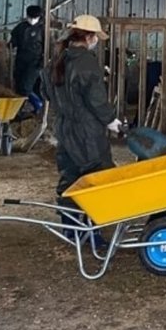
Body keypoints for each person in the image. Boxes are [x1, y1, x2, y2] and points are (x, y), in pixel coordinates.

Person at [42, 15, 121, 247]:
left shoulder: (56, 60)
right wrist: (111, 120)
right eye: (96, 36)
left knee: (70, 175)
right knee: (96, 176)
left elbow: (46, 92)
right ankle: (91, 233)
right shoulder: (86, 61)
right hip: (87, 131)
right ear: (88, 37)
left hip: (64, 127)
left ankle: (70, 228)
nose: (96, 40)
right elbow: (96, 99)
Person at [9, 5, 45, 114]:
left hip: (35, 63)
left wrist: (43, 62)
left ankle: (37, 104)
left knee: (25, 87)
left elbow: (49, 47)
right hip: (21, 61)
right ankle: (21, 109)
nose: (32, 19)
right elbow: (12, 42)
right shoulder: (21, 28)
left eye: (35, 17)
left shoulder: (43, 30)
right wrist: (9, 46)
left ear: (39, 17)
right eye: (30, 17)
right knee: (19, 84)